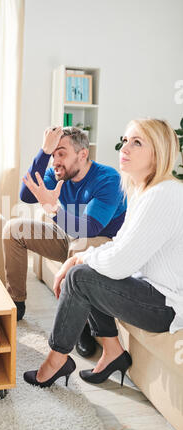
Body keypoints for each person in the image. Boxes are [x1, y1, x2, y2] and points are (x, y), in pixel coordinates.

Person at [23, 118, 183, 389]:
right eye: (125, 140)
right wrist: (44, 152)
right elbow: (120, 243)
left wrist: (77, 258)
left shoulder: (163, 194)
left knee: (80, 276)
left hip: (167, 305)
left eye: (137, 142)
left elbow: (114, 258)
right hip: (150, 288)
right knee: (85, 268)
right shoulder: (144, 191)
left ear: (158, 152)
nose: (124, 147)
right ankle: (113, 353)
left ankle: (56, 359)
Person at [3, 126, 127, 357]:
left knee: (81, 243)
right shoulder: (58, 173)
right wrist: (44, 151)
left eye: (61, 153)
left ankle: (81, 325)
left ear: (82, 155)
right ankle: (17, 302)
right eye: (53, 154)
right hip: (69, 235)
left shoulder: (108, 179)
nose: (55, 161)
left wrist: (52, 208)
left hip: (104, 242)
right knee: (13, 229)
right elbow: (26, 195)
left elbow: (89, 229)